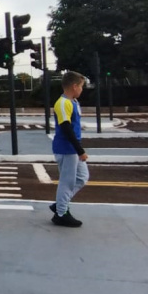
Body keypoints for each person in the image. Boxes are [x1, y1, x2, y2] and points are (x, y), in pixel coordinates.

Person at [50, 71, 89, 228]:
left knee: (82, 177)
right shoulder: (62, 103)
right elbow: (66, 127)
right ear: (74, 86)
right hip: (66, 148)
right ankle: (61, 214)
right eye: (81, 86)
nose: (82, 89)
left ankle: (60, 203)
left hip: (71, 148)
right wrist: (80, 150)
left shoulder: (73, 102)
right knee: (67, 182)